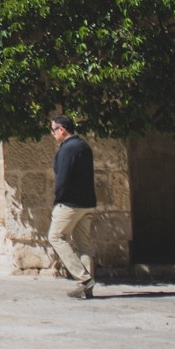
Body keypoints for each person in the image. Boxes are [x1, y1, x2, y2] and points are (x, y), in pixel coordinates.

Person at [47, 114, 98, 298]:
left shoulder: (67, 149)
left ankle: (84, 278)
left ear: (62, 130)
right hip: (87, 203)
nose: (52, 134)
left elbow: (62, 179)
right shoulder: (84, 146)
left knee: (55, 237)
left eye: (53, 130)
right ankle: (87, 288)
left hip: (70, 203)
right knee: (83, 244)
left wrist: (57, 200)